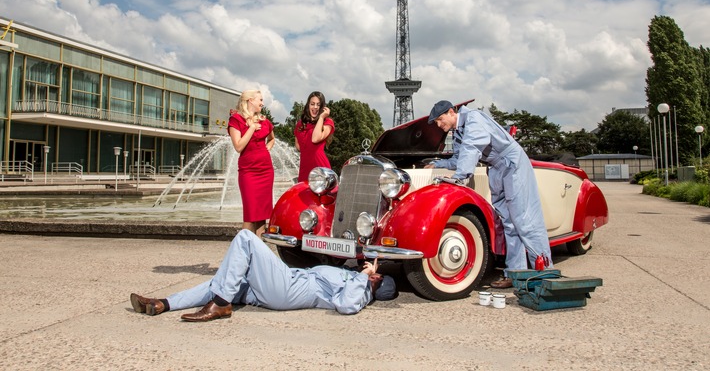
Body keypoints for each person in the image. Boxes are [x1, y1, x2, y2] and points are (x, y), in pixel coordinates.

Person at [130, 229, 397, 321]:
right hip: (279, 287)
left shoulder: (361, 293)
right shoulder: (354, 279)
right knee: (221, 282)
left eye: (378, 277)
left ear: (378, 285)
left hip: (286, 289)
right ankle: (162, 304)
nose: (375, 273)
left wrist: (364, 277)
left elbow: (345, 306)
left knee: (247, 238)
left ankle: (221, 305)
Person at [426, 100, 553, 289]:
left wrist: (461, 177)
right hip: (496, 169)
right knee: (508, 223)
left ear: (452, 112)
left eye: (440, 119)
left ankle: (545, 272)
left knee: (524, 220)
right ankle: (515, 273)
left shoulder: (473, 119)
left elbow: (472, 148)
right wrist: (437, 165)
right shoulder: (459, 133)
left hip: (512, 165)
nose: (438, 124)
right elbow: (458, 158)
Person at [228, 90, 275, 236]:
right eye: (260, 100)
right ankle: (244, 253)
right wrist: (252, 128)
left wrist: (267, 148)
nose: (262, 103)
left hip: (266, 171)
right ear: (250, 100)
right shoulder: (236, 119)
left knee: (262, 217)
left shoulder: (265, 121)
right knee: (250, 216)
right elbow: (238, 146)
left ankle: (259, 253)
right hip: (248, 172)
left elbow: (272, 138)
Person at [294, 91, 335, 182]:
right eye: (312, 104)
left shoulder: (327, 122)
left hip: (320, 168)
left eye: (318, 104)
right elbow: (298, 146)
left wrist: (321, 118)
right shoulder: (300, 124)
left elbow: (315, 139)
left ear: (322, 107)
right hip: (304, 168)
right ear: (308, 105)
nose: (315, 107)